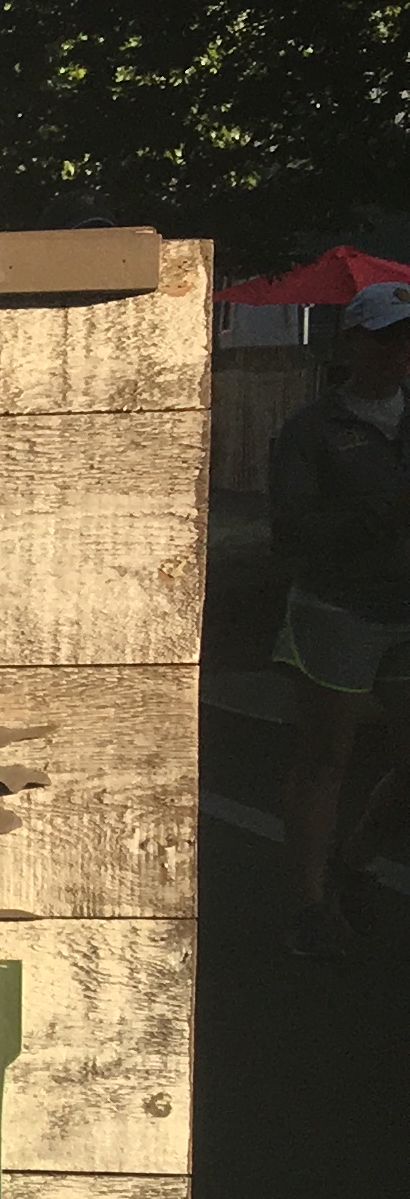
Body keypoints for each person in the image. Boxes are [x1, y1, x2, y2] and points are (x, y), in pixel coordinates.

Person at [269, 277, 410, 956]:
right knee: (327, 759)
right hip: (338, 611)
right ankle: (309, 905)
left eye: (407, 340)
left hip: (405, 611)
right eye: (385, 339)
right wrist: (380, 516)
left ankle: (354, 863)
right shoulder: (311, 430)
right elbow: (291, 533)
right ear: (352, 343)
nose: (399, 352)